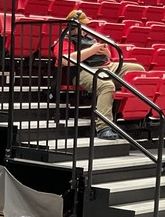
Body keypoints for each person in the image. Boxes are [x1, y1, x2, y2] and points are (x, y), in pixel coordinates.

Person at [58, 8, 145, 140]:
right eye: (83, 24)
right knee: (106, 85)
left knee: (137, 70)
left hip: (106, 66)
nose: (86, 27)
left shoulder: (90, 37)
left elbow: (108, 57)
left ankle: (130, 115)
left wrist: (106, 53)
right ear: (73, 26)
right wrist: (92, 51)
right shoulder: (65, 40)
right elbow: (65, 60)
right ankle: (103, 127)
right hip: (83, 71)